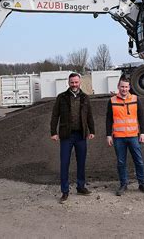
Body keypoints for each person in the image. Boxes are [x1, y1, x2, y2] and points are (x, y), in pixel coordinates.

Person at [50, 73, 95, 203]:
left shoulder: (85, 97)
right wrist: (53, 132)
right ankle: (65, 191)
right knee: (64, 163)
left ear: (80, 82)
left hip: (81, 135)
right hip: (66, 136)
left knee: (81, 162)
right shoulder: (61, 97)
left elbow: (89, 115)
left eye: (76, 82)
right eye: (72, 82)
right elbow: (54, 116)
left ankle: (81, 187)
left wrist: (92, 130)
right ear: (68, 83)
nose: (74, 85)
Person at [106, 76, 144, 196]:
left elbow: (141, 117)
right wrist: (108, 135)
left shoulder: (136, 99)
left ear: (129, 87)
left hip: (133, 136)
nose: (124, 89)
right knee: (121, 162)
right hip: (118, 137)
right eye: (122, 86)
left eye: (126, 87)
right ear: (118, 87)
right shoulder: (112, 101)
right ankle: (123, 184)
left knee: (139, 161)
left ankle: (142, 184)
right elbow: (108, 119)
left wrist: (143, 132)